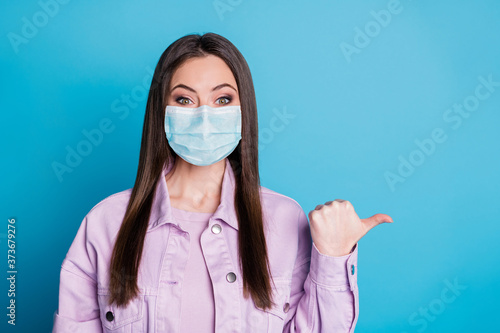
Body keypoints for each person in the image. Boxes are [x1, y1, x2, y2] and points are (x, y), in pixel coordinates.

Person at [52, 32, 392, 333]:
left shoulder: (285, 219)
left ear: (244, 110)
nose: (204, 115)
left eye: (223, 99)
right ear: (162, 111)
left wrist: (332, 258)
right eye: (184, 99)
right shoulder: (106, 223)